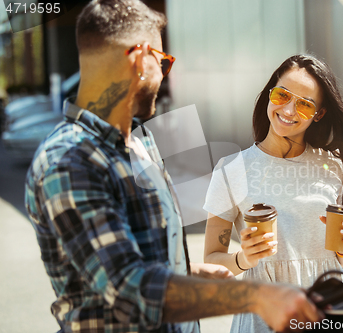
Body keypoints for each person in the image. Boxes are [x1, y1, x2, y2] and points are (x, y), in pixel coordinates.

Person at [24, 1, 323, 332]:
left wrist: (186, 272)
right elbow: (130, 288)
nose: (166, 73)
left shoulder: (141, 142)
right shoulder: (69, 161)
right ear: (140, 59)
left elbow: (138, 257)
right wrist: (255, 296)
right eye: (163, 61)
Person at [204, 54, 343, 333]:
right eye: (282, 95)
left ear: (318, 114)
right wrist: (245, 259)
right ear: (270, 93)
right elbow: (213, 259)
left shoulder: (332, 166)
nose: (288, 110)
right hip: (265, 316)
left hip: (328, 309)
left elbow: (339, 259)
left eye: (304, 104)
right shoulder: (231, 170)